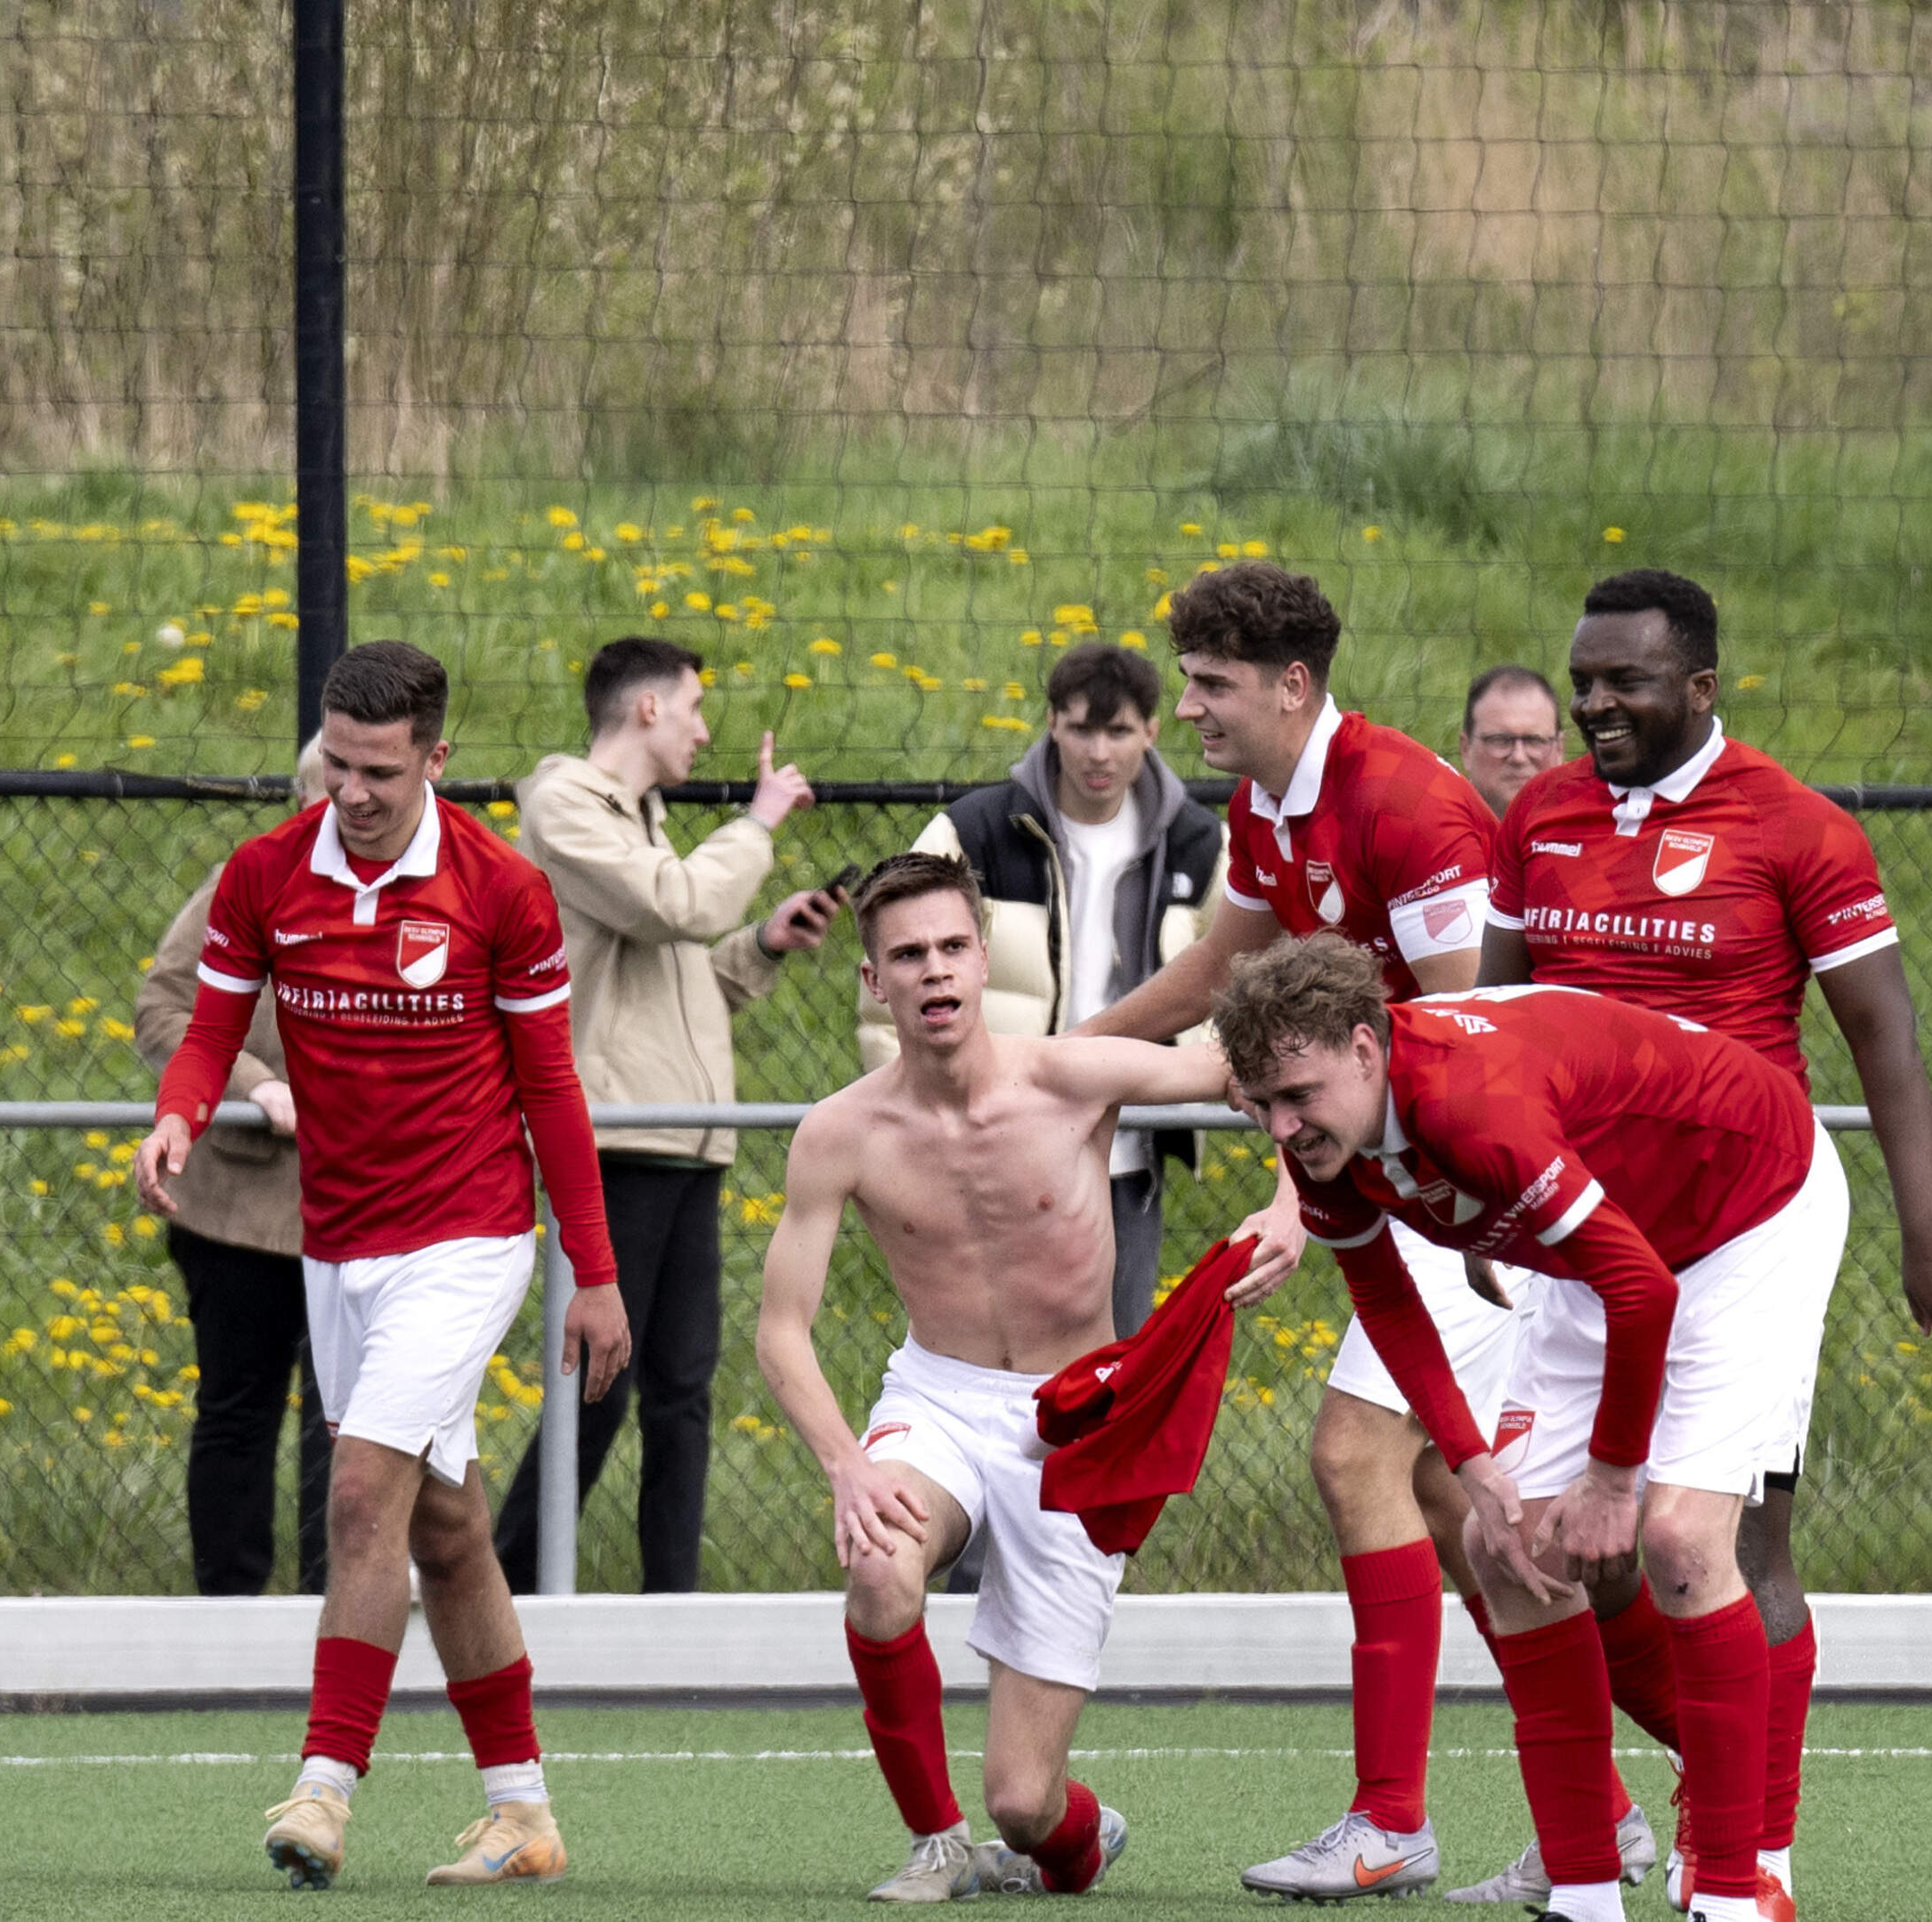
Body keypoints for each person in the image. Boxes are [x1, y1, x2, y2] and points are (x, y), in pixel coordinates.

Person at [1474, 567, 1932, 1912]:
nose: (1593, 702)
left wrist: (1926, 1228)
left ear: (1700, 688)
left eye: (1625, 682)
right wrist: (1490, 1198)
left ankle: (1751, 1851)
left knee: (1720, 1543)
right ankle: (1690, 1782)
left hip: (1739, 1225)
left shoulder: (1797, 827)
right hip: (1579, 1224)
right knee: (1553, 1548)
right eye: (1582, 678)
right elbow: (1495, 1011)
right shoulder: (1536, 815)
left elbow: (1884, 1037)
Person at [1215, 940, 1851, 1922]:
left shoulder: (1473, 1109)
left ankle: (1734, 1894)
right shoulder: (1329, 1139)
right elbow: (1386, 1297)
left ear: (1363, 1043)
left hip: (1751, 1205)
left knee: (1680, 1538)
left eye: (1297, 1094)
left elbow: (1641, 1287)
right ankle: (1587, 1896)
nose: (1283, 1126)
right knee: (1501, 1542)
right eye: (1261, 1102)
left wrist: (1609, 1477)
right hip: (1614, 1233)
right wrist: (1473, 1462)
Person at [134, 641, 630, 1891]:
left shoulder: (500, 889)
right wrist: (184, 1111)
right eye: (336, 765)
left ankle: (323, 1786)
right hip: (336, 1243)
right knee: (450, 1528)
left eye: (377, 770)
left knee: (360, 1494)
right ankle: (522, 1811)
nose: (349, 792)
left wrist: (596, 1267)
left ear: (436, 759)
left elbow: (553, 1091)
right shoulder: (265, 874)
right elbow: (204, 1026)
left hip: (466, 1239)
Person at [1068, 562, 1525, 1900]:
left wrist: (1296, 1181)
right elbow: (1222, 973)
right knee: (1454, 1502)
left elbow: (1458, 1037)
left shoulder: (1411, 803)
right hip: (1406, 1166)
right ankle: (1601, 1805)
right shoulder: (1267, 798)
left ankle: (1394, 1818)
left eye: (1210, 685)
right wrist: (1052, 1059)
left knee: (1353, 1452)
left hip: (1478, 1170)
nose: (1189, 709)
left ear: (1293, 684)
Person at [753, 853, 1230, 1902]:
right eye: (908, 954)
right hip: (939, 1399)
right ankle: (935, 1840)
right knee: (880, 1564)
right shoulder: (840, 1132)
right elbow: (781, 1328)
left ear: (984, 959)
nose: (935, 972)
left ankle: (1077, 1836)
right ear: (874, 980)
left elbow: (1251, 1070)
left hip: (1080, 1423)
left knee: (1028, 1801)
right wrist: (847, 1465)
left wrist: (1291, 1206)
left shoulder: (1073, 1074)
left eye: (953, 948)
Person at [494, 637, 840, 1593]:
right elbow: (675, 906)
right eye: (693, 706)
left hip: (686, 1138)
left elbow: (676, 981)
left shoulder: (641, 821)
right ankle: (502, 1582)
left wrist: (762, 944)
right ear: (645, 708)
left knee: (682, 1387)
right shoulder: (564, 807)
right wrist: (759, 822)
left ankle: (672, 1601)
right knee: (599, 1387)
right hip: (614, 1138)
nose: (703, 727)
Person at [859, 639, 1223, 1338]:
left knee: (1115, 1364)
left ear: (1151, 730)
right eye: (1082, 727)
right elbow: (891, 966)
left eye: (1118, 731)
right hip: (991, 1136)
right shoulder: (976, 830)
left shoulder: (1198, 842)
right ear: (1052, 722)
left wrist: (1198, 1070)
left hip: (1129, 1144)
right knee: (991, 1345)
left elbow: (1240, 968)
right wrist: (914, 1111)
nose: (1098, 751)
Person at [134, 738, 335, 1598]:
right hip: (240, 1207)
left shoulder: (432, 895)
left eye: (380, 782)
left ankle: (346, 1605)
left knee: (360, 1425)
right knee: (239, 1410)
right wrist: (257, 1085)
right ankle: (229, 1614)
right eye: (338, 784)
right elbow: (163, 1005)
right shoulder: (242, 884)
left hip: (371, 1210)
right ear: (304, 796)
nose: (358, 805)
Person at [1457, 665, 1567, 819]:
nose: (1518, 757)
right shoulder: (1430, 833)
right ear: (1466, 749)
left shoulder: (1594, 832)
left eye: (1534, 740)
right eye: (1500, 740)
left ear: (1559, 749)